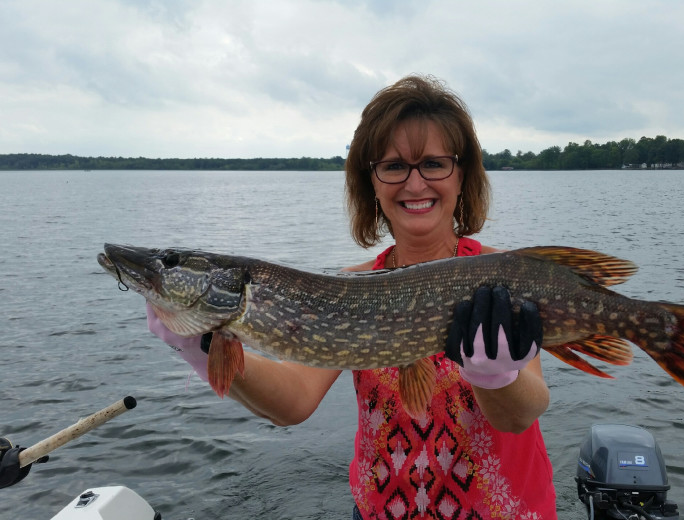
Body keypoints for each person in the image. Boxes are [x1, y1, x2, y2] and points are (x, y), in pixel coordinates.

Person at [148, 75, 557, 519]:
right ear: (373, 183)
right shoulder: (347, 290)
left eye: (434, 164)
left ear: (462, 176)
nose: (415, 184)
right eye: (394, 166)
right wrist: (201, 345)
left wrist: (498, 377)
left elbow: (524, 412)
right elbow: (293, 403)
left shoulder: (500, 277)